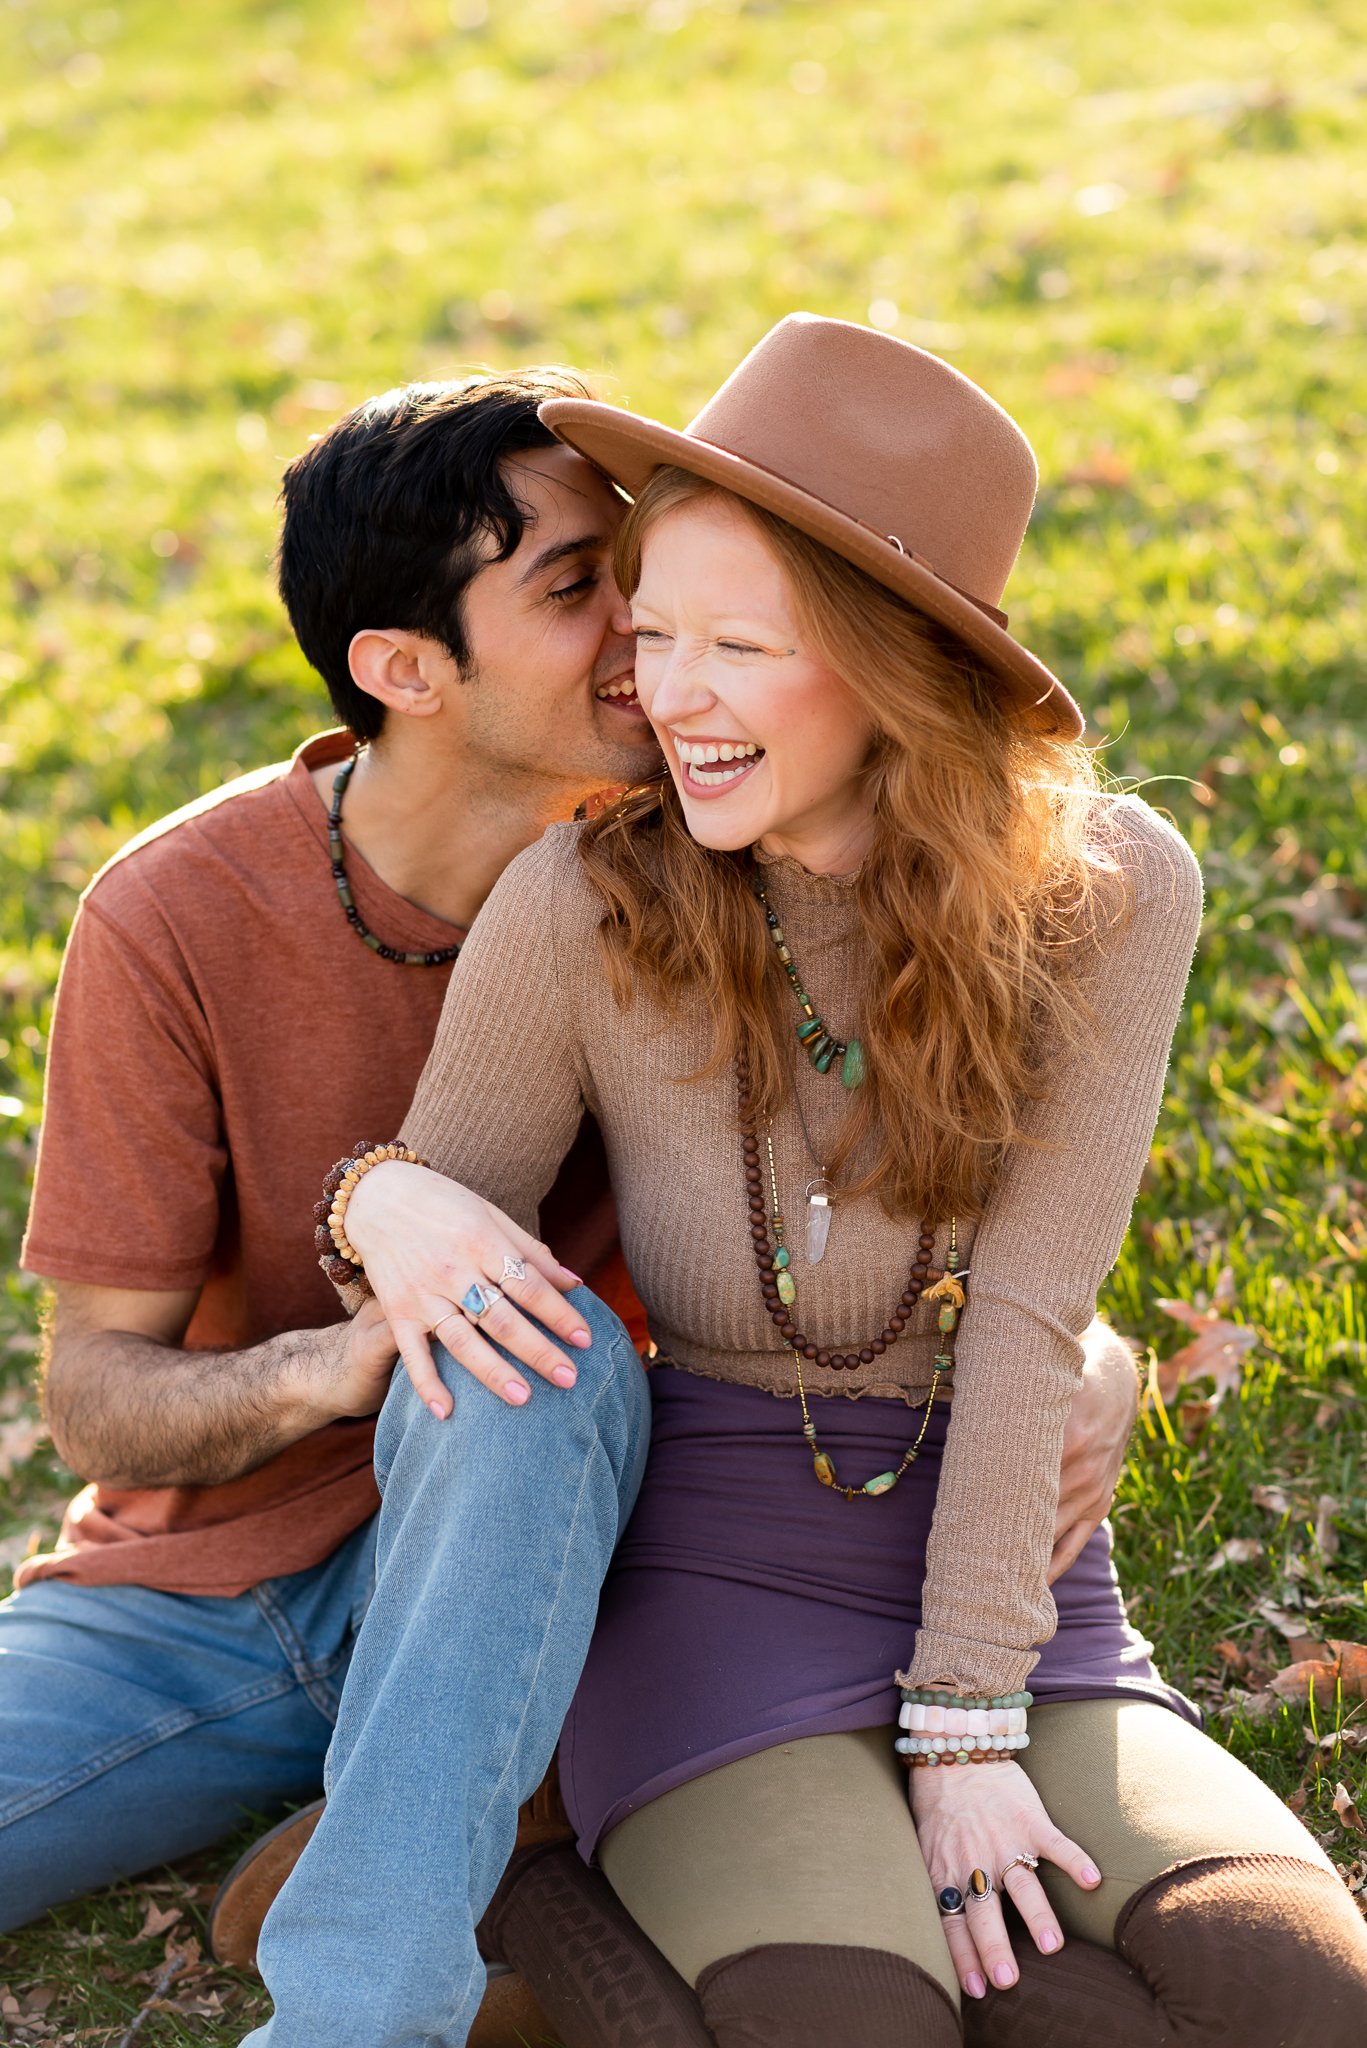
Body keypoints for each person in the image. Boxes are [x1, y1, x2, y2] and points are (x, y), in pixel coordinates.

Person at [2, 361, 1137, 2047]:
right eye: (577, 590)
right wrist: (343, 1354)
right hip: (210, 1609)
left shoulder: (729, 829)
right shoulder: (176, 915)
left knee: (526, 1367)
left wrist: (1082, 1350)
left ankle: (365, 1997)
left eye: (647, 578)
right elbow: (92, 1394)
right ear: (405, 670)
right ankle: (466, 1839)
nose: (645, 636)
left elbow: (945, 1198)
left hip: (589, 1550)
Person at [311, 315, 1367, 2048]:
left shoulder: (1110, 887)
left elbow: (1032, 1307)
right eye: (653, 635)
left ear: (887, 667)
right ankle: (555, 1899)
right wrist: (375, 1201)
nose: (670, 696)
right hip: (713, 1587)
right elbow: (440, 1248)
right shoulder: (584, 903)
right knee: (855, 2025)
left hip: (1015, 1572)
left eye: (740, 645)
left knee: (1287, 1994)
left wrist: (967, 1716)